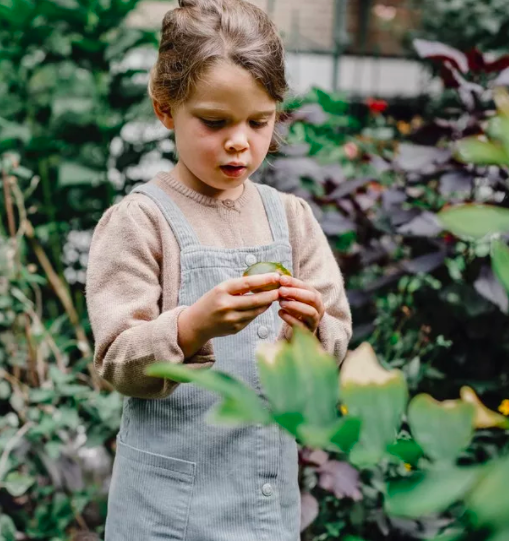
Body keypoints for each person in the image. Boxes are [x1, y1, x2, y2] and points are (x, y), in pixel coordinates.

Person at [85, 0, 352, 538]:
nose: (240, 141)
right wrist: (190, 327)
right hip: (167, 511)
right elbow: (117, 359)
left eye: (260, 121)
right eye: (215, 122)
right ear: (165, 109)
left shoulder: (291, 219)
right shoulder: (141, 222)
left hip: (263, 499)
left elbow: (334, 340)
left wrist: (310, 332)